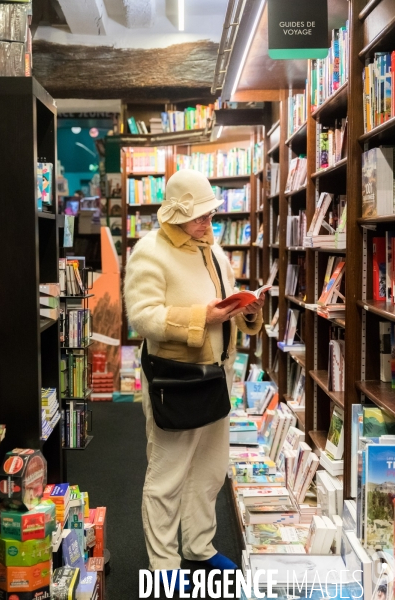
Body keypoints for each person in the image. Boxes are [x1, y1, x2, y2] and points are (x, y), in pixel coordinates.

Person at [124, 169, 264, 591]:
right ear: (176, 211)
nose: (208, 223)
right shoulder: (150, 251)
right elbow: (143, 318)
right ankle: (164, 564)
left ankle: (199, 547)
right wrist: (202, 317)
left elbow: (226, 298)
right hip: (176, 379)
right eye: (200, 216)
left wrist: (248, 312)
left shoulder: (213, 249)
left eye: (211, 215)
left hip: (217, 375)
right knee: (167, 475)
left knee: (210, 472)